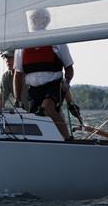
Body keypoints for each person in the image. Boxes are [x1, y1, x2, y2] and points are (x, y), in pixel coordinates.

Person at [13, 8, 74, 140]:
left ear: (47, 21)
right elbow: (17, 75)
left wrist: (67, 81)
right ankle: (50, 142)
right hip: (34, 89)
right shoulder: (22, 44)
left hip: (55, 85)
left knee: (47, 109)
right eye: (35, 18)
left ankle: (68, 140)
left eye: (41, 18)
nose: (37, 21)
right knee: (39, 116)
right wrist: (17, 99)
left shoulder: (57, 40)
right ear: (31, 21)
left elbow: (69, 68)